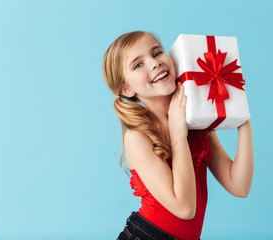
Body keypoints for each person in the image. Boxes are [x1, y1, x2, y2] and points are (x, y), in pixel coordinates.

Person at [102, 31, 254, 240]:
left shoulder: (197, 123)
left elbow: (239, 186)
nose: (154, 63)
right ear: (127, 89)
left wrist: (241, 115)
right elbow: (185, 208)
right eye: (138, 65)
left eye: (157, 53)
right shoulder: (137, 137)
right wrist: (178, 136)